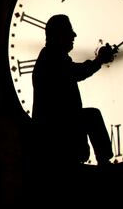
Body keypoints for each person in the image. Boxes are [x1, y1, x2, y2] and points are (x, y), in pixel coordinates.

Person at [31, 14, 116, 169]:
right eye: (69, 31)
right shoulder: (52, 58)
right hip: (57, 136)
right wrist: (99, 61)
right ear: (59, 34)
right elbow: (76, 72)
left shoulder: (51, 57)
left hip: (55, 138)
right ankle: (104, 162)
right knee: (93, 116)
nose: (74, 35)